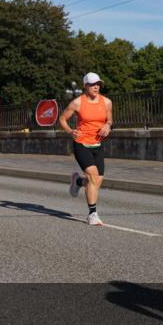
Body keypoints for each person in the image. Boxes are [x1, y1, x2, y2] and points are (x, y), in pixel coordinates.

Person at [60, 72, 114, 226]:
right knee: (93, 176)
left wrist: (108, 125)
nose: (96, 87)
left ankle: (77, 181)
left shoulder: (107, 102)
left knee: (96, 181)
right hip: (81, 143)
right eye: (92, 84)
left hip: (98, 144)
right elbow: (62, 119)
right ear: (85, 86)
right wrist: (70, 131)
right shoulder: (77, 103)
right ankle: (92, 214)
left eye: (98, 84)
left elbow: (109, 118)